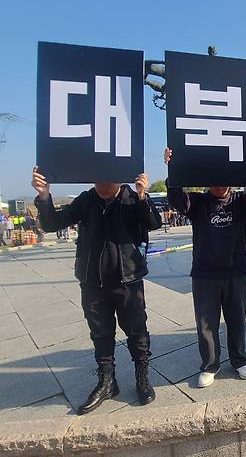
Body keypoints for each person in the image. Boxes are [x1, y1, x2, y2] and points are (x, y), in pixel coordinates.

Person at [31, 166, 162, 415]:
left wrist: (143, 196)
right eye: (97, 178)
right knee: (100, 334)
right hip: (93, 281)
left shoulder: (131, 198)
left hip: (128, 279)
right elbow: (52, 224)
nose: (102, 184)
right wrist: (44, 196)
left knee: (137, 331)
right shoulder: (86, 200)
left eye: (108, 178)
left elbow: (154, 223)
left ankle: (142, 377)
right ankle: (106, 381)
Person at [164, 147, 246, 388]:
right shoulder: (198, 202)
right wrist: (173, 167)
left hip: (235, 272)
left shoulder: (240, 202)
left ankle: (240, 359)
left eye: (225, 180)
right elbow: (177, 198)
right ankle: (210, 364)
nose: (220, 185)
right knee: (206, 324)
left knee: (237, 320)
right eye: (215, 180)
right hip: (205, 275)